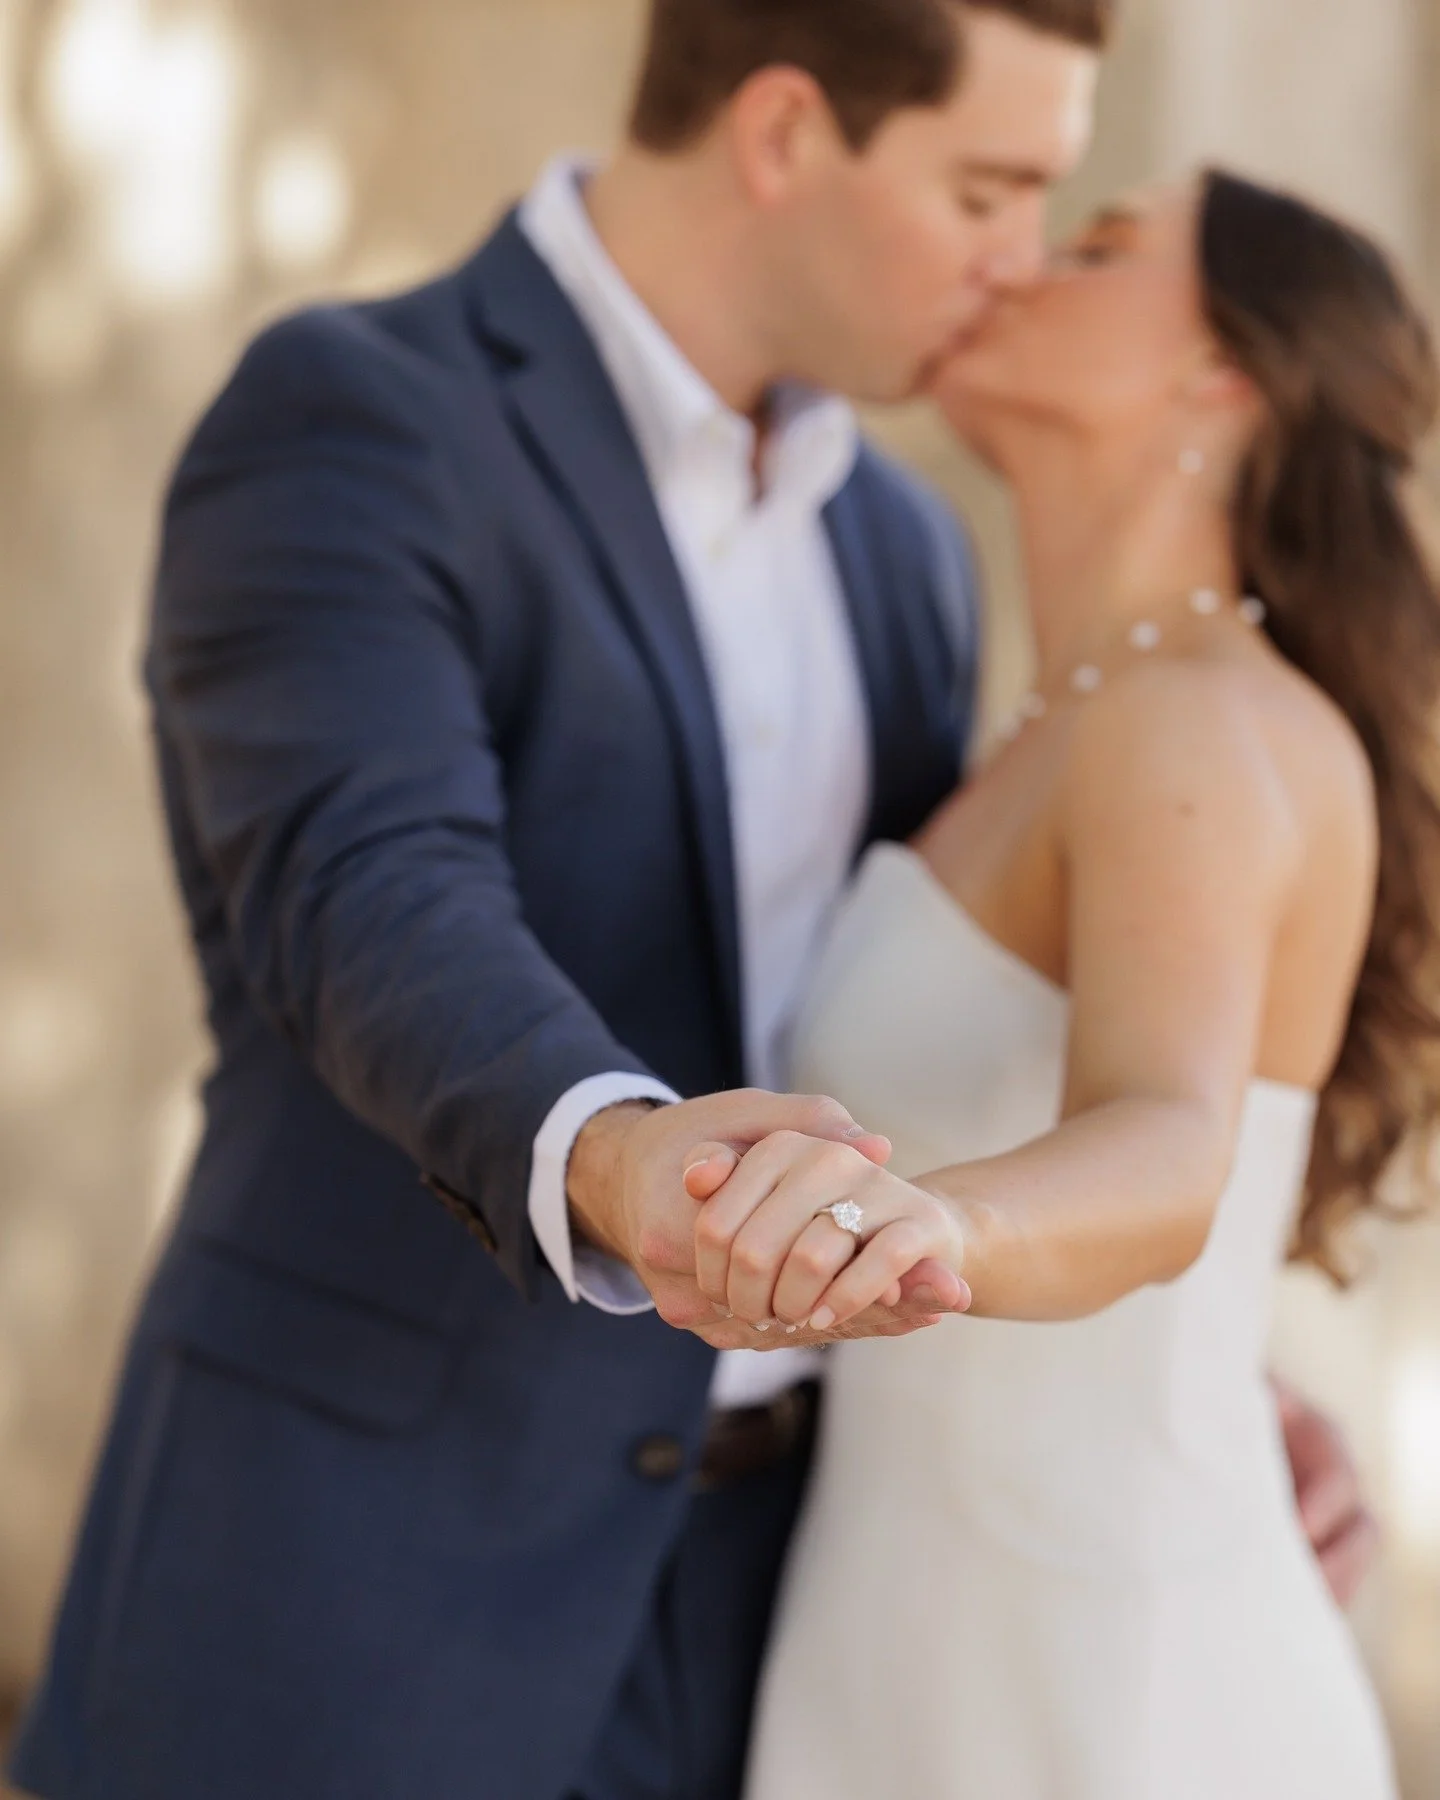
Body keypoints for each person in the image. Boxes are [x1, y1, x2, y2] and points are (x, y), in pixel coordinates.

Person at [9, 6, 1374, 1798]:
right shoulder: (356, 421)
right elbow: (369, 894)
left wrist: (1152, 1380)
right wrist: (616, 1154)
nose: (1015, 256)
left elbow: (962, 1032)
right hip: (353, 1604)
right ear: (787, 129)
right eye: (987, 186)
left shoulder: (905, 556)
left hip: (777, 1636)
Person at [685, 173, 1439, 1798]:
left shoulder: (1197, 724)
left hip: (1112, 1680)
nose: (1021, 260)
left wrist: (939, 1228)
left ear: (1223, 377)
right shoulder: (1053, 723)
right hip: (902, 1628)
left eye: (1098, 249)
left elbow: (1173, 1143)